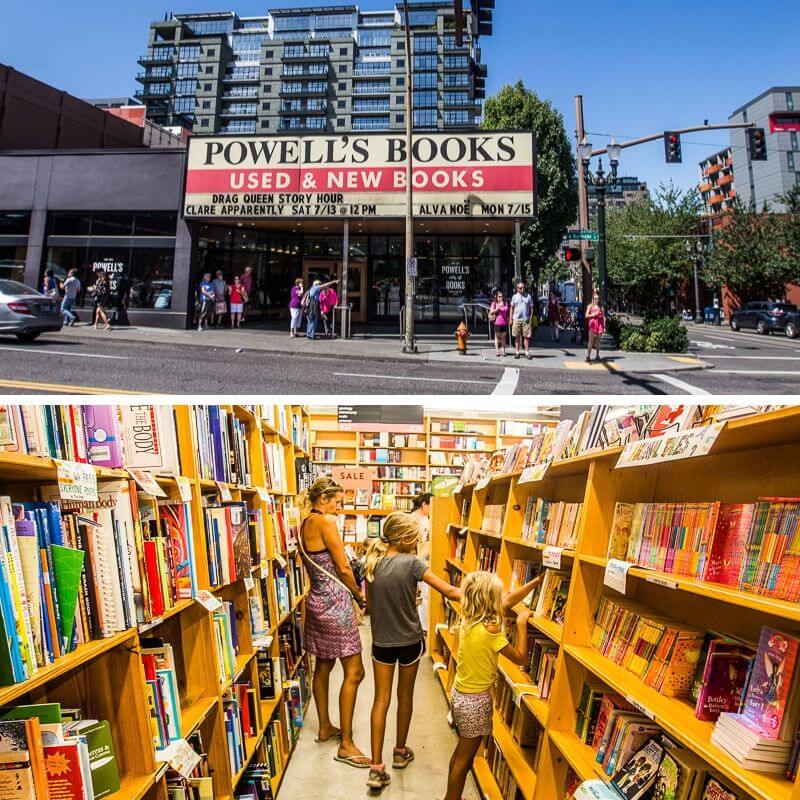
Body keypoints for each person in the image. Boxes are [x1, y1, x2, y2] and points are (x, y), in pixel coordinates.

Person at [364, 513, 462, 791]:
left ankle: (375, 768)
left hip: (381, 642)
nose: (420, 539)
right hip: (408, 641)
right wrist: (481, 590)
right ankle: (399, 752)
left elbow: (370, 607)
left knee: (380, 699)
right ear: (407, 539)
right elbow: (450, 592)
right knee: (404, 697)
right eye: (418, 535)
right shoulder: (414, 563)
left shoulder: (373, 563)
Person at [442, 571, 544, 800]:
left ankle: (451, 796)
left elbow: (508, 600)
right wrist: (521, 624)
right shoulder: (491, 631)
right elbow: (519, 658)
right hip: (475, 703)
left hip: (461, 697)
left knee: (460, 755)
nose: (503, 599)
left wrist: (535, 583)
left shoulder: (468, 619)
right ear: (490, 601)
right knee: (464, 760)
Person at [298, 477, 370, 769]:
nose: (339, 508)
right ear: (324, 499)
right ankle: (347, 744)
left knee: (324, 665)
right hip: (336, 604)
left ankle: (326, 726)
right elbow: (342, 567)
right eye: (337, 501)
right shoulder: (326, 522)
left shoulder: (304, 523)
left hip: (316, 601)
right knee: (355, 672)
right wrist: (359, 594)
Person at [409, 492, 432, 631]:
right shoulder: (413, 519)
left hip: (422, 558)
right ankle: (422, 625)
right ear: (424, 504)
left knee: (422, 594)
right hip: (415, 558)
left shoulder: (424, 518)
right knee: (420, 594)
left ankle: (423, 624)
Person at [510, 280, 535, 360]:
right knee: (517, 336)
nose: (522, 289)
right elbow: (511, 308)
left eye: (523, 287)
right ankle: (517, 352)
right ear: (517, 289)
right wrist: (510, 319)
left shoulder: (528, 296)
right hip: (516, 319)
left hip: (526, 319)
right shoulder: (514, 297)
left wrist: (530, 318)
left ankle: (526, 352)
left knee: (526, 337)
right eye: (520, 288)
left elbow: (531, 308)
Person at [586, 290, 606, 362]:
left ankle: (597, 355)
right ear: (593, 299)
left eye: (598, 299)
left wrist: (604, 326)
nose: (597, 300)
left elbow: (604, 317)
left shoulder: (601, 307)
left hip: (600, 324)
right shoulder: (590, 306)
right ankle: (588, 356)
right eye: (595, 299)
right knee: (591, 341)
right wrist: (594, 314)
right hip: (593, 324)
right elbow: (586, 315)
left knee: (598, 341)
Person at [488, 290, 510, 357]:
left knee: (503, 338)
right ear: (497, 297)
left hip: (504, 322)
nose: (501, 298)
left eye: (502, 296)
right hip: (497, 322)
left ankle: (503, 351)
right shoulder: (494, 303)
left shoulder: (505, 303)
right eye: (499, 296)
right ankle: (497, 351)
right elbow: (491, 312)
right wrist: (497, 308)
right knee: (497, 337)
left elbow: (507, 310)